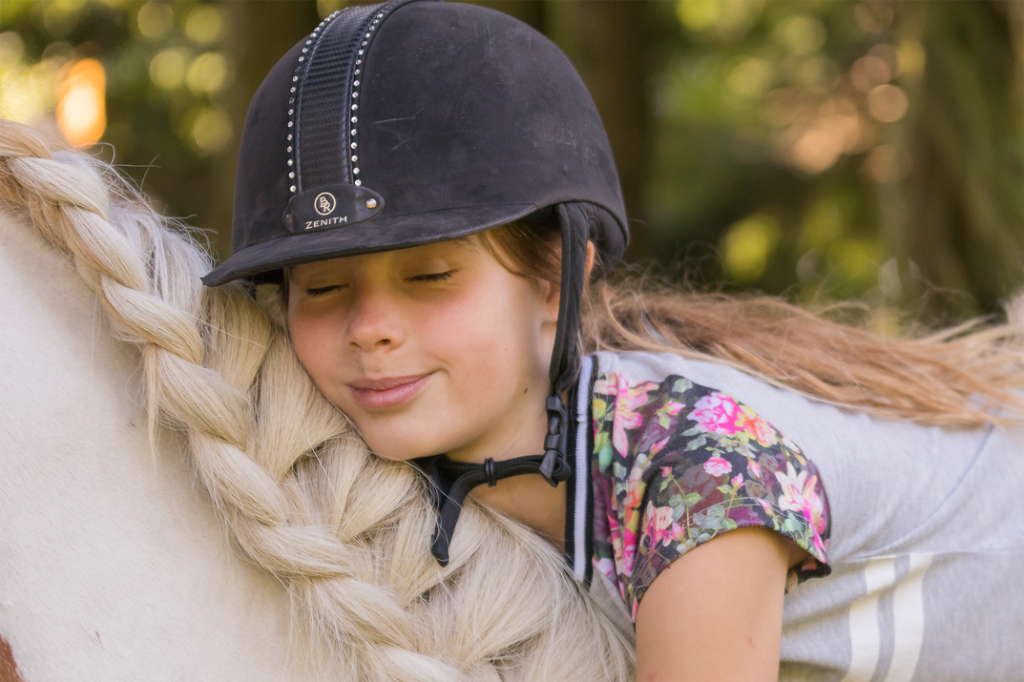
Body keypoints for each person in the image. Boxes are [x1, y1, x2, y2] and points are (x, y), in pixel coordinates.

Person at [15, 0, 1013, 680]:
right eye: (322, 288)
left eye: (429, 277)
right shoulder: (431, 431)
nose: (372, 331)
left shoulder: (700, 478)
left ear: (556, 279)